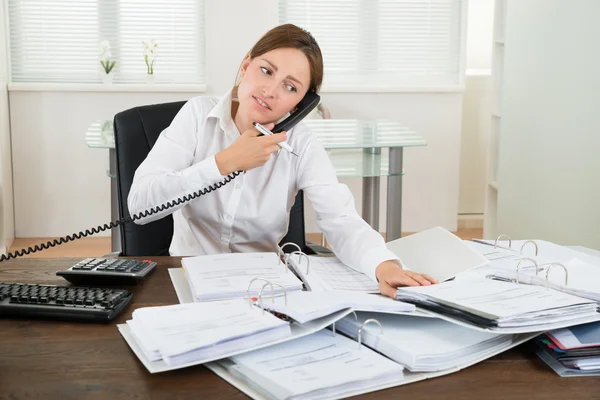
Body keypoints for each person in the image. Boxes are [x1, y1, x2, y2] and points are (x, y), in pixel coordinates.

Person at [128, 23, 437, 298]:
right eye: (266, 70)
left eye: (290, 87)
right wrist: (223, 163)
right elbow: (140, 207)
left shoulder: (301, 142)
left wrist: (383, 265)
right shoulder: (197, 116)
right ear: (246, 65)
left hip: (265, 288)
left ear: (300, 104)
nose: (270, 91)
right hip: (187, 280)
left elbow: (340, 218)